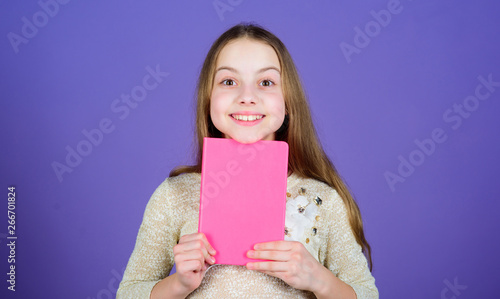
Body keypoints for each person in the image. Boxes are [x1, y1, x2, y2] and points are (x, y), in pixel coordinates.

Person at [117, 23, 378, 299]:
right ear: (209, 99)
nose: (247, 97)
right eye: (229, 81)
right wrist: (179, 284)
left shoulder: (323, 200)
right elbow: (129, 292)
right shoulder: (174, 195)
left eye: (266, 83)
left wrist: (320, 279)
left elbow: (367, 294)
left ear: (287, 101)